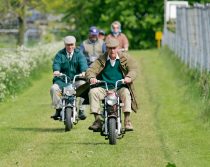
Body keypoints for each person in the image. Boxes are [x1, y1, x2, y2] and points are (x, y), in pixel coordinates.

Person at [86, 38, 138, 132]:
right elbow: (90, 70)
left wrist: (129, 77)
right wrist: (91, 78)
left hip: (120, 87)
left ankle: (127, 121)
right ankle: (97, 120)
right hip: (104, 88)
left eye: (114, 48)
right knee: (93, 92)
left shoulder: (125, 58)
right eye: (110, 48)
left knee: (126, 93)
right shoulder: (101, 58)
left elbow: (133, 69)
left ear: (117, 48)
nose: (112, 50)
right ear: (106, 48)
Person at [50, 35, 88, 120]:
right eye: (68, 45)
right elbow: (56, 63)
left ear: (74, 45)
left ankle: (81, 110)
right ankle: (58, 109)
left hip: (76, 80)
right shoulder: (60, 54)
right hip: (62, 80)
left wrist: (83, 71)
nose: (70, 47)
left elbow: (83, 63)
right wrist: (56, 70)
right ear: (65, 45)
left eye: (72, 44)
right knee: (53, 88)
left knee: (84, 86)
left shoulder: (79, 54)